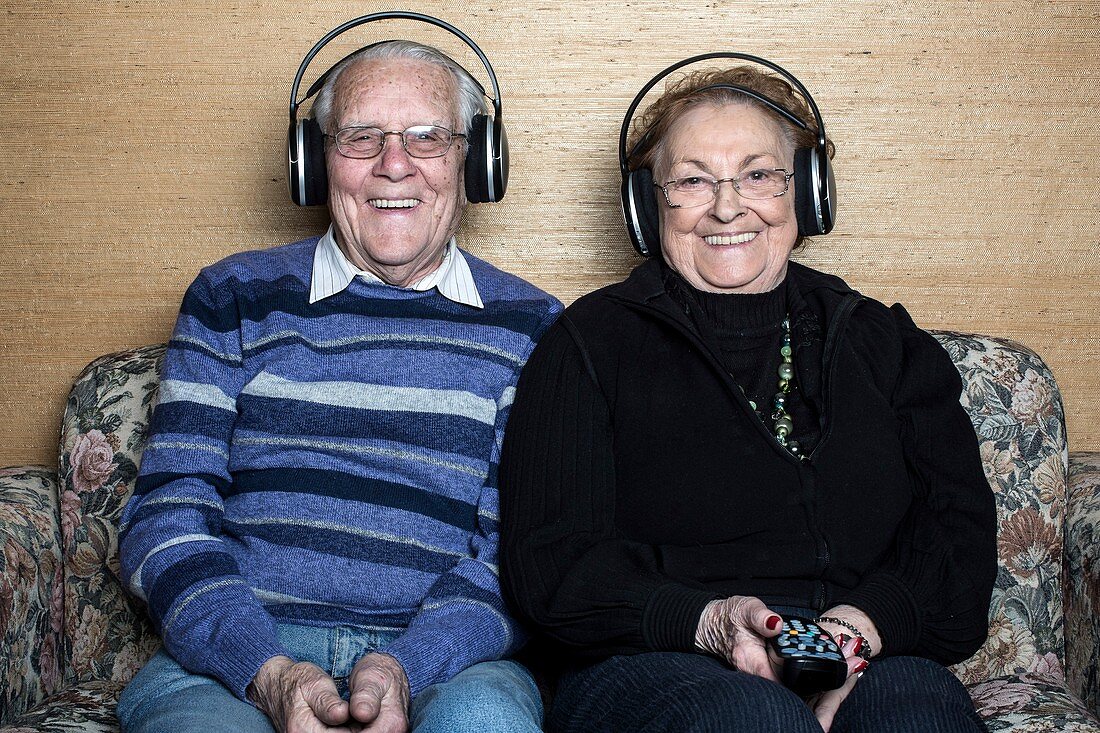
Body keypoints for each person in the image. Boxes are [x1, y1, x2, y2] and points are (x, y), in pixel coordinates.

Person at [499, 58, 996, 733]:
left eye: (759, 175)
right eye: (693, 181)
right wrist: (705, 621)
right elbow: (550, 567)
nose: (728, 207)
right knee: (752, 720)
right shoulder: (587, 344)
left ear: (809, 192)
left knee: (918, 719)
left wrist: (853, 632)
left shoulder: (884, 343)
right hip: (652, 660)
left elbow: (957, 541)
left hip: (864, 651)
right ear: (650, 205)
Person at [116, 36, 561, 733]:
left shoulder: (534, 326)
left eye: (427, 136)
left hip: (451, 666)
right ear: (313, 161)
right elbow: (166, 516)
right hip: (239, 661)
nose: (394, 165)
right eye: (360, 137)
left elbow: (521, 554)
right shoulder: (231, 297)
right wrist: (268, 671)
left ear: (472, 158)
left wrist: (404, 667)